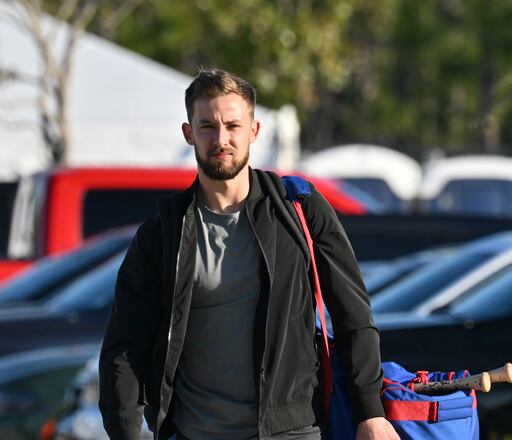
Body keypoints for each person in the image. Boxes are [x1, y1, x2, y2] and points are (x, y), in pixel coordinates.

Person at [99, 69, 397, 440]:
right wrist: (126, 431)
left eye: (233, 126)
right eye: (207, 126)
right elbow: (124, 348)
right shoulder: (161, 234)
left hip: (292, 429)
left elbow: (353, 315)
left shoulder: (298, 208)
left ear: (254, 131)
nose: (220, 139)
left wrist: (370, 412)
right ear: (188, 133)